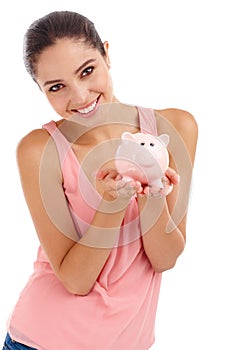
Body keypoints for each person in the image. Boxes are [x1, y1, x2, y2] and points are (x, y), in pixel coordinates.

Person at [2, 10, 198, 350]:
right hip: (42, 341)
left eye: (87, 70)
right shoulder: (40, 149)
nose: (79, 97)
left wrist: (152, 191)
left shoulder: (173, 129)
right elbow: (76, 280)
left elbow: (165, 258)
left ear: (106, 53)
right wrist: (114, 201)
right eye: (57, 86)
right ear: (41, 89)